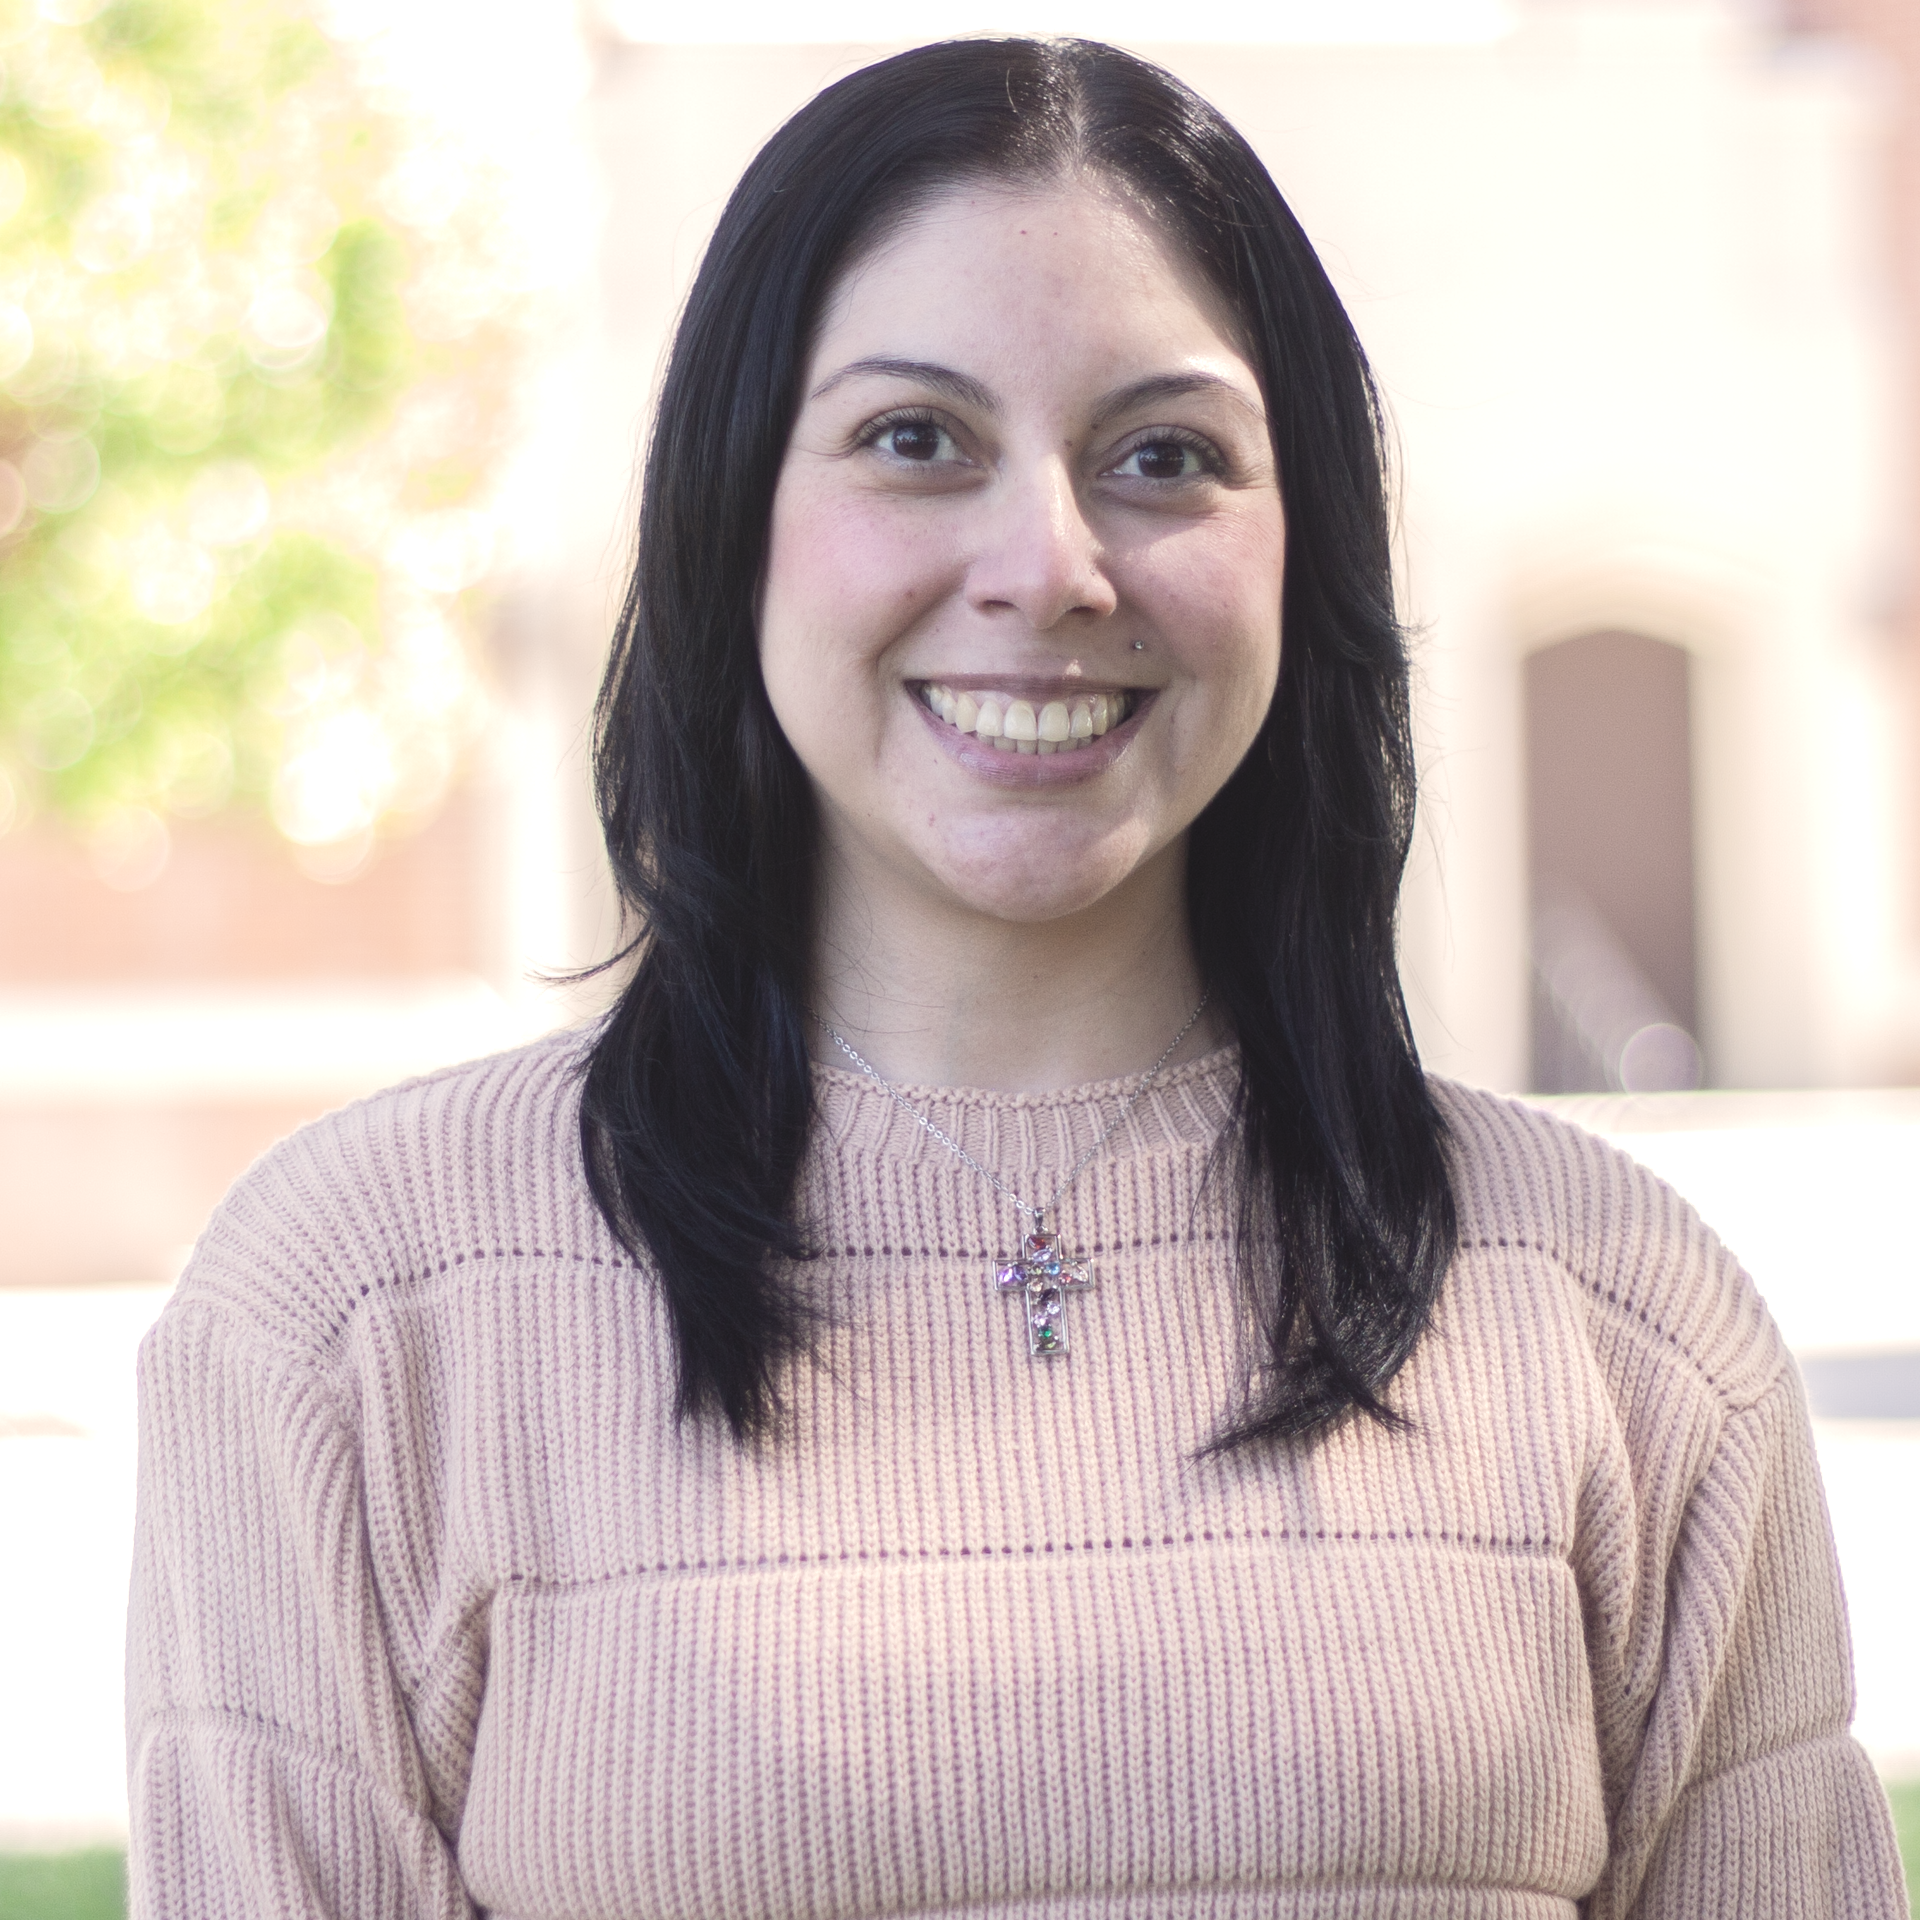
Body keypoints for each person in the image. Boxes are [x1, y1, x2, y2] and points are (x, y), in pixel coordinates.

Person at [125, 36, 1906, 1919]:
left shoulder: (1626, 1333)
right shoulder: (351, 1322)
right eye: (917, 440)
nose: (1050, 564)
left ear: (1305, 557)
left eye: (1166, 457)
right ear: (733, 524)